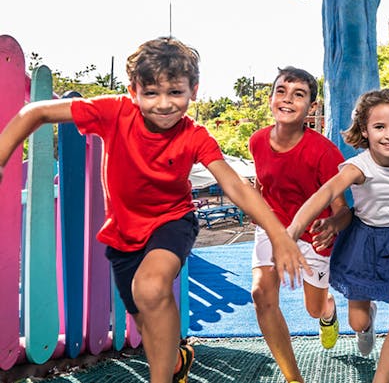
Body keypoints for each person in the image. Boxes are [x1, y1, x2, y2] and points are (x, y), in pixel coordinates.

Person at [0, 37, 310, 383]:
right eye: (151, 93)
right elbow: (37, 111)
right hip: (123, 234)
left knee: (150, 287)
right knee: (147, 319)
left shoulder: (195, 136)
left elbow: (234, 184)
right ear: (133, 90)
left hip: (173, 221)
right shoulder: (115, 111)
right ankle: (177, 361)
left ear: (193, 90)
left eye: (175, 93)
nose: (164, 105)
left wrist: (278, 235)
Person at [287, 88, 389, 383]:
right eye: (379, 127)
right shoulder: (358, 167)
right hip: (363, 241)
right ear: (364, 130)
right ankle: (367, 323)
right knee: (358, 320)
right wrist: (292, 232)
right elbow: (326, 192)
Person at [249, 66, 351, 383]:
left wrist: (334, 223)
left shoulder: (324, 152)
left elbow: (342, 209)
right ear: (270, 99)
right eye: (281, 91)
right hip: (273, 226)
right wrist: (254, 201)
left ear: (312, 107)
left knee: (313, 308)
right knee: (261, 294)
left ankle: (329, 310)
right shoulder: (257, 141)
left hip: (313, 236)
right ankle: (294, 378)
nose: (288, 99)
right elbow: (264, 187)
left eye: (299, 94)